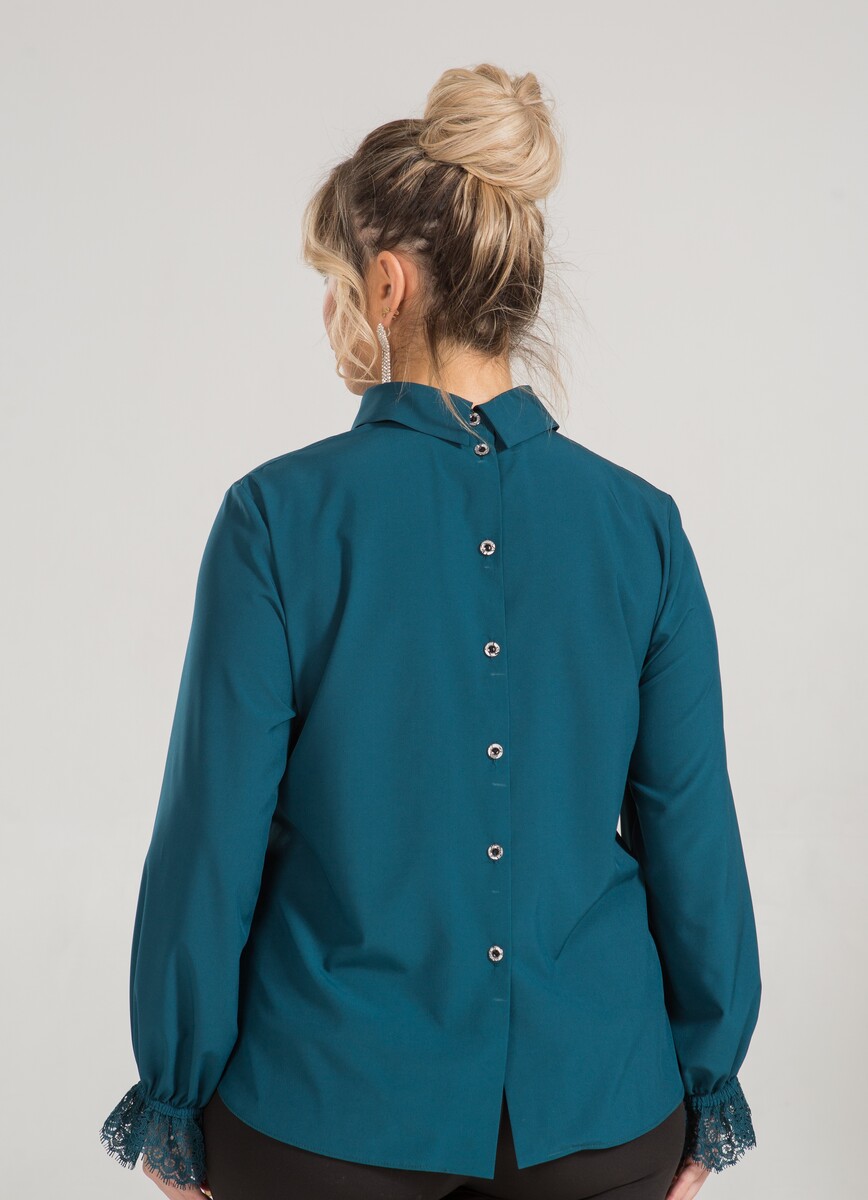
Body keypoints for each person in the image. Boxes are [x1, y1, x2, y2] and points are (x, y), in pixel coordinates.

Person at [99, 63, 762, 1200]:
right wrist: (706, 1087)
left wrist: (176, 1092)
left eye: (336, 282)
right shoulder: (641, 528)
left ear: (388, 284)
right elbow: (690, 835)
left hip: (323, 1117)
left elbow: (211, 843)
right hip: (599, 1117)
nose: (335, 309)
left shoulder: (275, 517)